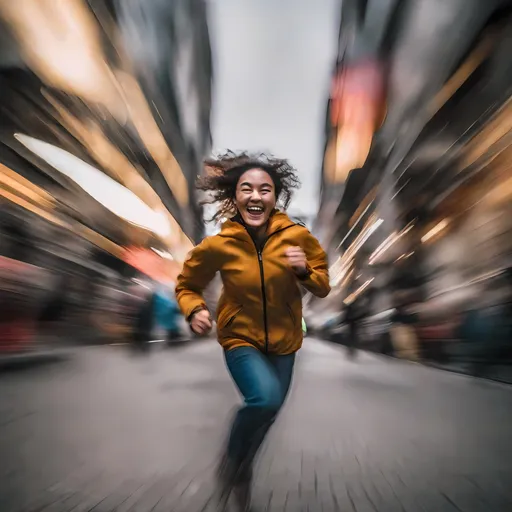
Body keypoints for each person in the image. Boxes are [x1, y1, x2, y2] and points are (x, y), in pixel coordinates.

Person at [175, 151, 330, 511]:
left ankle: (242, 471)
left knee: (268, 413)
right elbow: (187, 285)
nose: (256, 196)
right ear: (236, 196)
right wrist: (195, 309)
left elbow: (323, 286)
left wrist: (304, 270)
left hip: (285, 342)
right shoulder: (218, 245)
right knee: (264, 399)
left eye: (265, 189)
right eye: (247, 189)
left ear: (275, 197)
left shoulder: (298, 238)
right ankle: (232, 461)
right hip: (239, 339)